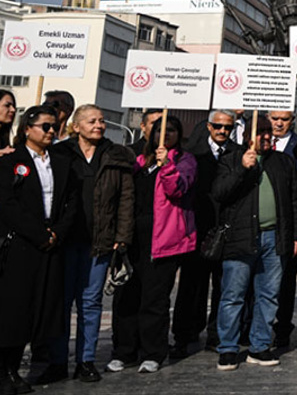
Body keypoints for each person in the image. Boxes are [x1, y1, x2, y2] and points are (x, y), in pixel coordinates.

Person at [44, 105, 135, 384]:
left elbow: (125, 200)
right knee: (61, 302)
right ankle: (57, 360)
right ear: (76, 126)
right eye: (92, 121)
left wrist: (122, 236)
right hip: (64, 239)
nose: (99, 125)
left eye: (101, 121)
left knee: (91, 302)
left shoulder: (116, 155)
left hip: (100, 240)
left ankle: (86, 360)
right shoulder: (59, 154)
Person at [211, 115, 297, 371]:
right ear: (246, 135)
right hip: (241, 238)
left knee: (268, 296)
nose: (266, 135)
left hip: (274, 239)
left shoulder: (283, 162)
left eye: (267, 131)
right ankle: (228, 348)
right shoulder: (231, 159)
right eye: (259, 131)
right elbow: (220, 194)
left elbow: (295, 201)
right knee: (233, 296)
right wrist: (243, 168)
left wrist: (296, 236)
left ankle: (260, 346)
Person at [108, 115, 197, 374]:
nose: (165, 135)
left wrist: (166, 165)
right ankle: (124, 351)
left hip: (164, 240)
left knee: (154, 300)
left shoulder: (185, 161)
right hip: (133, 238)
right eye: (160, 130)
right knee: (126, 296)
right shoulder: (137, 160)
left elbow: (178, 189)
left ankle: (153, 352)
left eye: (170, 131)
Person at [0, 106, 77, 393]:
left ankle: (17, 365)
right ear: (27, 129)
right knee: (14, 308)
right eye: (44, 126)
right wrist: (36, 232)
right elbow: (8, 203)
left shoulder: (59, 160)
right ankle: (4, 368)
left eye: (53, 126)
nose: (50, 131)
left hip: (51, 239)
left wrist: (57, 231)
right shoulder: (12, 160)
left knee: (38, 309)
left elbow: (71, 201)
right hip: (22, 241)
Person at [172, 110, 244, 358]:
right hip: (198, 227)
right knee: (191, 285)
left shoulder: (239, 154)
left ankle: (216, 334)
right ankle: (184, 334)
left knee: (223, 287)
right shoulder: (193, 152)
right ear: (209, 127)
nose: (222, 131)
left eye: (227, 127)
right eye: (218, 127)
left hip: (226, 228)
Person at [267, 109, 297, 346]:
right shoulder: (255, 141)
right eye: (275, 119)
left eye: (285, 119)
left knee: (286, 280)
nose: (279, 123)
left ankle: (283, 328)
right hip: (259, 220)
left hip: (287, 221)